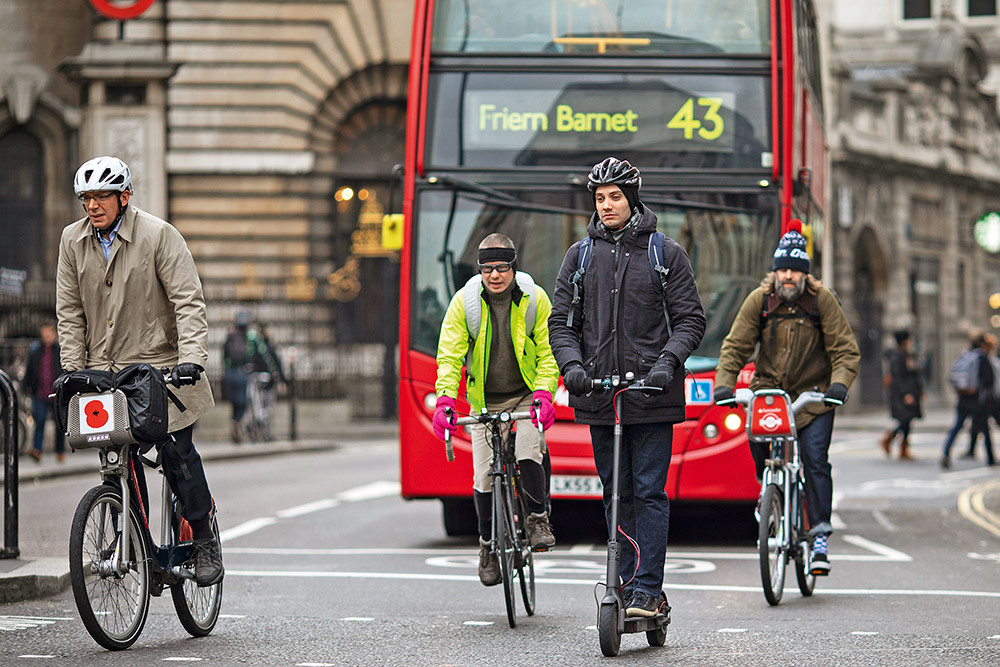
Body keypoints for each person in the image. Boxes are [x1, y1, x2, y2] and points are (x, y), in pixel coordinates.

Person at [548, 157, 707, 618]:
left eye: (615, 196)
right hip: (600, 395)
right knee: (615, 492)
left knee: (649, 491)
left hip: (652, 396)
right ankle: (624, 582)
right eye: (600, 198)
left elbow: (690, 319)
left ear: (632, 199)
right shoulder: (580, 257)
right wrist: (572, 366)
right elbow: (561, 323)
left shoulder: (665, 253)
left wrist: (667, 363)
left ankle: (648, 590)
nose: (606, 205)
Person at [56, 156, 223, 587]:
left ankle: (203, 536)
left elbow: (188, 301)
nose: (92, 206)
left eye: (101, 197)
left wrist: (191, 359)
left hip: (160, 369)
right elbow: (70, 312)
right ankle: (134, 540)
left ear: (124, 197)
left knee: (175, 451)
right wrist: (73, 370)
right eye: (86, 198)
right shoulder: (72, 241)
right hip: (104, 374)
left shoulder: (159, 235)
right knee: (116, 459)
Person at [714, 221, 859, 576]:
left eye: (795, 270)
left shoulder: (822, 301)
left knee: (815, 459)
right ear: (775, 272)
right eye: (783, 269)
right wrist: (724, 385)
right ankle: (769, 493)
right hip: (770, 397)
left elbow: (845, 351)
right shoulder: (760, 300)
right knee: (760, 450)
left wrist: (838, 386)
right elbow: (735, 346)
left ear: (805, 274)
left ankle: (819, 535)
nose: (788, 276)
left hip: (813, 399)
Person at [433, 233, 558, 586]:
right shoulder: (465, 303)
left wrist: (544, 394)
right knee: (484, 477)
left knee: (528, 450)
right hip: (484, 401)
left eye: (502, 267)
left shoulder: (534, 299)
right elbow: (449, 356)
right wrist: (445, 399)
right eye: (487, 269)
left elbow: (549, 351)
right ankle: (487, 546)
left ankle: (537, 519)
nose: (495, 275)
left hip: (526, 395)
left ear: (513, 267)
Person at [223, 311, 284, 442]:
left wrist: (226, 372)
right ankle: (247, 424)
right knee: (246, 401)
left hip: (231, 374)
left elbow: (224, 357)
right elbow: (265, 355)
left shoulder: (230, 336)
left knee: (236, 403)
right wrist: (274, 373)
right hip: (246, 372)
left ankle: (236, 422)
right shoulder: (253, 336)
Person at [941, 331, 996, 468]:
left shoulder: (964, 356)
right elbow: (989, 381)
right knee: (985, 430)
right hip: (978, 400)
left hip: (963, 399)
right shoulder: (982, 358)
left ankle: (946, 453)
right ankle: (991, 459)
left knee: (956, 427)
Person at [22, 322, 66, 463]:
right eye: (44, 334)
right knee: (39, 420)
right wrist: (26, 386)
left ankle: (60, 451)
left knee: (59, 424)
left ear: (54, 334)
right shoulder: (35, 351)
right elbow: (29, 369)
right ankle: (37, 450)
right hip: (40, 392)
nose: (46, 337)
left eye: (49, 334)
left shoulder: (60, 351)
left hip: (56, 393)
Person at [880, 330, 923, 460]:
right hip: (903, 394)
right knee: (905, 421)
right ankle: (891, 439)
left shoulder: (907, 354)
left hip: (911, 392)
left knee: (907, 422)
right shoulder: (898, 356)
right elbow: (898, 377)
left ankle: (901, 447)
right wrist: (906, 394)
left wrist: (920, 391)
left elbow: (914, 374)